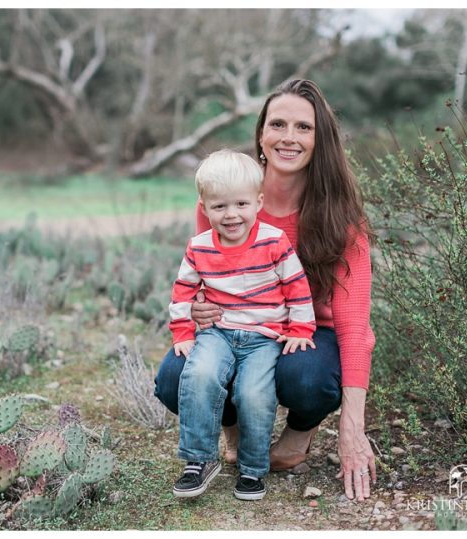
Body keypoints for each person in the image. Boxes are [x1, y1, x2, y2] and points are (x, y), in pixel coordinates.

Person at [155, 79, 377, 502]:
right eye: (278, 123)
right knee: (173, 378)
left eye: (303, 127)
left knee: (306, 379)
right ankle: (235, 435)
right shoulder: (227, 198)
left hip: (307, 335)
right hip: (237, 326)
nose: (288, 137)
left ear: (320, 139)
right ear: (261, 134)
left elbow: (354, 327)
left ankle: (297, 437)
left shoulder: (340, 216)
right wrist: (199, 307)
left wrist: (353, 430)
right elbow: (208, 270)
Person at [169, 149, 316, 501]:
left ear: (258, 202)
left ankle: (252, 470)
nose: (231, 214)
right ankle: (199, 460)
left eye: (240, 204)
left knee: (253, 393)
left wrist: (300, 330)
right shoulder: (199, 247)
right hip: (217, 333)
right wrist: (183, 331)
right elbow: (183, 292)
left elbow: (297, 287)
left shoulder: (274, 241)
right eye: (219, 207)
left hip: (264, 337)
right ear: (204, 208)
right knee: (198, 375)